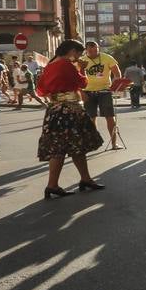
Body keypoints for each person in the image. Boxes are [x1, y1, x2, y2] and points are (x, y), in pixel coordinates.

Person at [36, 40, 106, 197]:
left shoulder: (51, 65)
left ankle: (80, 179)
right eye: (79, 54)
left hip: (54, 110)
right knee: (72, 146)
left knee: (65, 147)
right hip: (69, 110)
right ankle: (58, 184)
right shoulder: (66, 64)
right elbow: (83, 82)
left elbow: (40, 89)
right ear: (73, 51)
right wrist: (82, 69)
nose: (78, 57)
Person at [79, 40, 122, 151]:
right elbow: (76, 77)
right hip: (88, 92)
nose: (94, 52)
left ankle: (114, 143)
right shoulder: (82, 60)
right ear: (86, 51)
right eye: (90, 50)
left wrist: (115, 86)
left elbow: (117, 73)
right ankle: (92, 142)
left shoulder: (107, 58)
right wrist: (81, 92)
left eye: (96, 50)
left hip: (105, 91)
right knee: (91, 118)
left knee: (110, 117)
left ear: (99, 48)